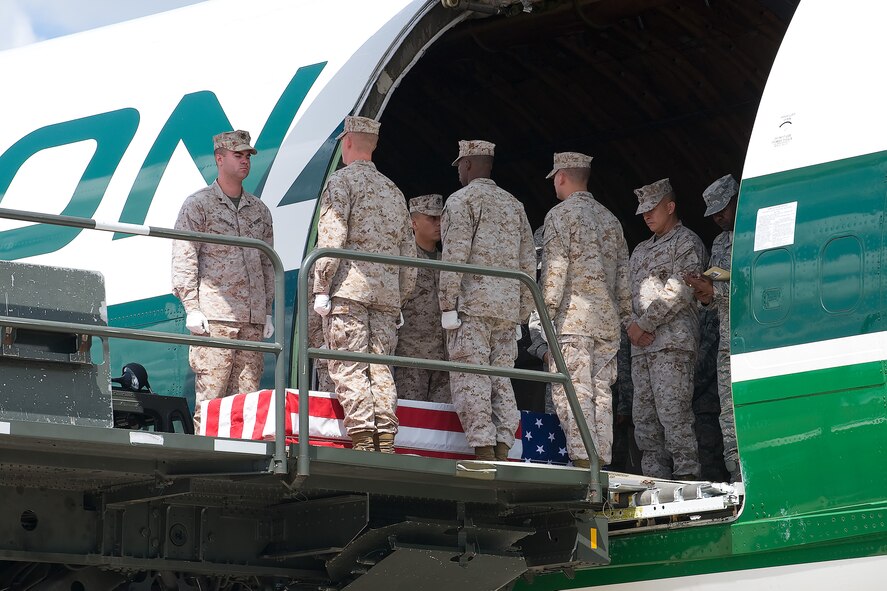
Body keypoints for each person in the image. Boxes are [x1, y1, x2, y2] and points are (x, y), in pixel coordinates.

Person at [312, 115, 416, 453]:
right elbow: (408, 254)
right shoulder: (394, 191)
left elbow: (332, 239)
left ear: (347, 142)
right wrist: (400, 296)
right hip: (386, 298)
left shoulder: (341, 183)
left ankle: (362, 438)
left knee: (349, 365)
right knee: (380, 368)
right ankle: (385, 437)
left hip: (348, 293)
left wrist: (321, 287)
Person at [171, 130, 274, 431]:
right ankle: (207, 458)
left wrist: (266, 309)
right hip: (216, 319)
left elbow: (268, 263)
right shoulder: (199, 205)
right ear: (219, 158)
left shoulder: (260, 211)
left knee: (245, 402)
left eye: (247, 157)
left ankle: (239, 462)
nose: (245, 161)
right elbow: (184, 255)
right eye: (238, 155)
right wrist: (191, 305)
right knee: (212, 401)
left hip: (251, 322)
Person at [439, 140, 535, 461]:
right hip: (506, 310)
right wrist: (523, 312)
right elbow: (527, 265)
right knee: (501, 378)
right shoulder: (514, 205)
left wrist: (447, 305)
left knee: (471, 376)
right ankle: (504, 444)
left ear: (466, 165)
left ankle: (483, 449)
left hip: (471, 308)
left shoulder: (460, 201)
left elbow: (454, 257)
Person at [539, 152, 631, 469]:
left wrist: (541, 320)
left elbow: (554, 274)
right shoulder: (611, 220)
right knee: (602, 393)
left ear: (561, 176)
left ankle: (582, 459)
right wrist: (623, 318)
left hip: (572, 321)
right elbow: (624, 280)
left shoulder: (559, 217)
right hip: (606, 325)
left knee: (573, 392)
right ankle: (600, 460)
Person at [627, 178, 706, 480]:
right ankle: (654, 482)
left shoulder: (686, 242)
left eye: (652, 209)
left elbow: (679, 290)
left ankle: (687, 478)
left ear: (670, 206)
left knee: (674, 417)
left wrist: (644, 324)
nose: (646, 216)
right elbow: (624, 296)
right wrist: (632, 327)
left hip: (672, 346)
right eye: (643, 211)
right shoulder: (639, 252)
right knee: (645, 423)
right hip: (642, 350)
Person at [684, 173, 741, 481]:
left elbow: (757, 285)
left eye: (723, 208)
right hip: (724, 339)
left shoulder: (755, 234)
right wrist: (705, 292)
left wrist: (714, 292)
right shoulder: (719, 242)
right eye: (713, 212)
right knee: (727, 412)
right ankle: (735, 474)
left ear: (736, 198)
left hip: (751, 339)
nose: (719, 216)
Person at [394, 194, 450, 403]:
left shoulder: (450, 261)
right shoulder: (403, 260)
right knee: (411, 421)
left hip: (444, 358)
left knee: (441, 426)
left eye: (440, 218)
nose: (438, 224)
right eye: (431, 218)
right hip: (412, 356)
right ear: (413, 222)